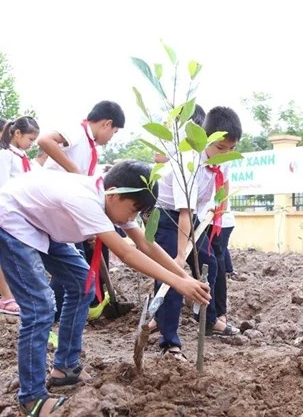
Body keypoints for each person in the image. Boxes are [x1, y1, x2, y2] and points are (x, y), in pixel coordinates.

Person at [0, 160, 210, 416]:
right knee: (40, 306)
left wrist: (184, 276)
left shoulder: (112, 199)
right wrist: (177, 283)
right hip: (11, 218)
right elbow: (125, 252)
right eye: (134, 209)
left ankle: (65, 368)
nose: (133, 217)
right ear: (115, 193)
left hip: (39, 221)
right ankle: (31, 399)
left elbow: (145, 244)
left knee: (81, 284)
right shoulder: (86, 201)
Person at [152, 105, 242, 362]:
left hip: (193, 218)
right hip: (168, 217)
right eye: (220, 148)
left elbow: (221, 187)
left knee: (209, 264)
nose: (225, 154)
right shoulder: (189, 163)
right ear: (206, 138)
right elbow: (182, 214)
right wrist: (180, 256)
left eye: (231, 149)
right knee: (173, 277)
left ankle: (206, 318)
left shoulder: (221, 161)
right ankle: (169, 342)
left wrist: (218, 206)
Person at [39, 101, 125, 321]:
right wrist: (74, 171)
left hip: (67, 210)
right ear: (107, 124)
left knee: (76, 262)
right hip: (53, 207)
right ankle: (53, 315)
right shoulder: (77, 131)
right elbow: (45, 140)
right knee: (71, 264)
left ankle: (63, 312)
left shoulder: (89, 146)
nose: (110, 139)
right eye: (114, 133)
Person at [0, 116, 40, 316]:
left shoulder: (24, 159)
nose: (32, 144)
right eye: (30, 139)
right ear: (17, 134)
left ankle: (18, 296)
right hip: (7, 214)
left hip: (22, 216)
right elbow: (3, 185)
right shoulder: (6, 156)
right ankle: (8, 297)